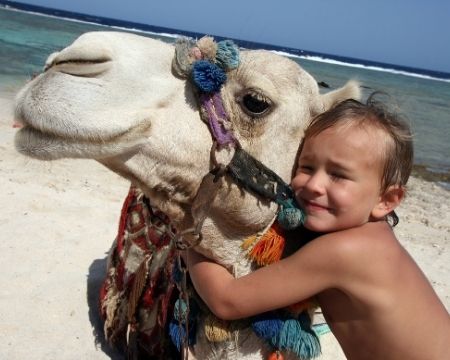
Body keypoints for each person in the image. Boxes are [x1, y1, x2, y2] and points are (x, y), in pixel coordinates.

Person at [186, 95, 450, 360]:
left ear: (386, 200)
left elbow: (227, 301)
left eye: (338, 175)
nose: (313, 185)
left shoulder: (345, 251)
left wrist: (187, 237)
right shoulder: (376, 239)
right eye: (307, 167)